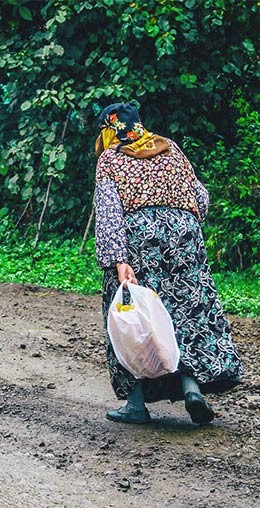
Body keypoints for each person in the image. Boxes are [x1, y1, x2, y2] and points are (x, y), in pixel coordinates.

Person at [93, 102, 242, 425]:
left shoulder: (111, 158)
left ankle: (135, 404)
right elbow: (200, 198)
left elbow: (108, 215)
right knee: (184, 310)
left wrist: (118, 260)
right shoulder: (169, 147)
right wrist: (179, 223)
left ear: (110, 130)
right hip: (183, 237)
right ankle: (192, 390)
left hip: (138, 240)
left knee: (131, 316)